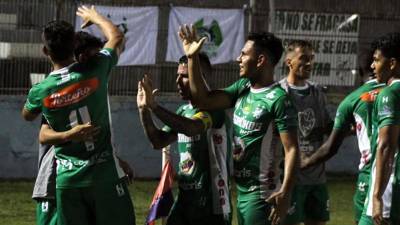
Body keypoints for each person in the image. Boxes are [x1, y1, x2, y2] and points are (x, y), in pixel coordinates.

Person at [22, 6, 135, 225]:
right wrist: (95, 17)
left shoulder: (42, 90)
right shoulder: (96, 69)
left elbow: (27, 114)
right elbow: (117, 37)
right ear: (75, 45)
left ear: (45, 51)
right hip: (103, 173)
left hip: (68, 180)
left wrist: (60, 120)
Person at [178, 25, 299, 225]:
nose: (238, 59)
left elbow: (292, 149)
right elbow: (203, 100)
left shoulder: (278, 99)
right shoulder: (243, 88)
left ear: (260, 61)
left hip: (262, 194)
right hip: (242, 192)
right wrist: (192, 59)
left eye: (243, 55)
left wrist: (285, 193)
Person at [137, 53, 231, 225]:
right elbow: (158, 141)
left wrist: (155, 106)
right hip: (185, 199)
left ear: (199, 78)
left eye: (185, 76)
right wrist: (143, 110)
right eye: (177, 75)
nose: (178, 81)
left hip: (212, 204)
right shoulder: (183, 112)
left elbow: (190, 128)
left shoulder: (214, 109)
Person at [279, 40, 333, 225]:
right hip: (289, 178)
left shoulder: (317, 92)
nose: (309, 63)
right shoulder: (279, 93)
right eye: (303, 58)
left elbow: (329, 127)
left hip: (317, 177)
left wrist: (351, 125)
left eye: (311, 59)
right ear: (289, 62)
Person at [358, 32, 400, 225]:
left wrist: (376, 197)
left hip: (389, 189)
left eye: (376, 60)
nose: (372, 66)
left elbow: (386, 146)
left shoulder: (389, 94)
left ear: (392, 64)